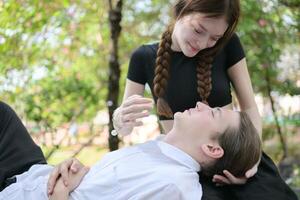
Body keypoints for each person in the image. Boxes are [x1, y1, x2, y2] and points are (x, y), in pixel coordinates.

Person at [47, 0, 298, 199]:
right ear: (181, 7)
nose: (203, 43)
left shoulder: (229, 45)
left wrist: (250, 161)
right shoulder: (144, 57)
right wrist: (119, 117)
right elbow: (124, 129)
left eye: (214, 38)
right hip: (186, 174)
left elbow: (250, 106)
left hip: (240, 163)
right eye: (199, 30)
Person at [0, 102, 262, 200]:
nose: (201, 105)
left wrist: (60, 193)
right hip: (33, 174)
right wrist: (77, 169)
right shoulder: (162, 149)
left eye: (213, 112)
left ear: (211, 148)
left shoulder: (173, 185)